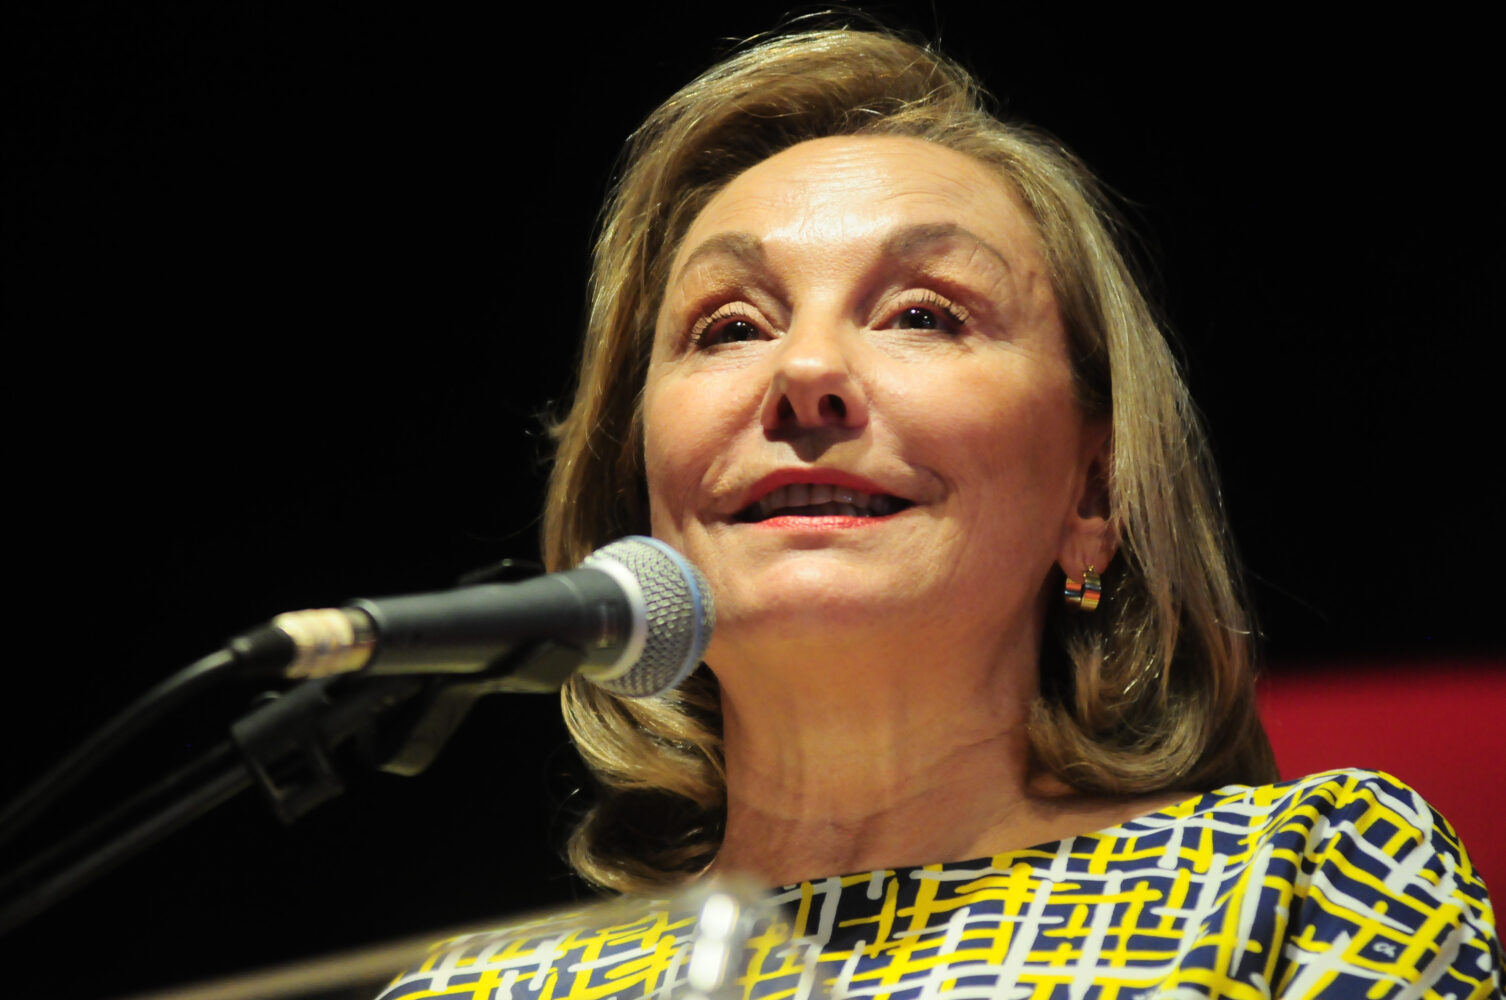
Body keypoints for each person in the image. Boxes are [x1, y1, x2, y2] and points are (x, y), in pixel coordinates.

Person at [378, 26, 1501, 1000]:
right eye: (731, 327)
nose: (805, 372)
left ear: (1094, 492)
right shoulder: (478, 987)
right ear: (640, 492)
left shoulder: (1306, 881)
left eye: (923, 314)